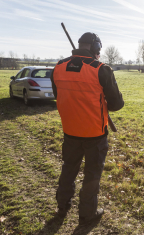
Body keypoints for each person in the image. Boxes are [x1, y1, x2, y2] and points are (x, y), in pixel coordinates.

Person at [50, 32, 124, 225]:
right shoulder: (101, 69)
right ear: (96, 48)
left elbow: (59, 95)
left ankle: (62, 205)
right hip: (95, 134)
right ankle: (87, 213)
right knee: (92, 174)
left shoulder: (58, 67)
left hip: (70, 131)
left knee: (68, 169)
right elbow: (116, 105)